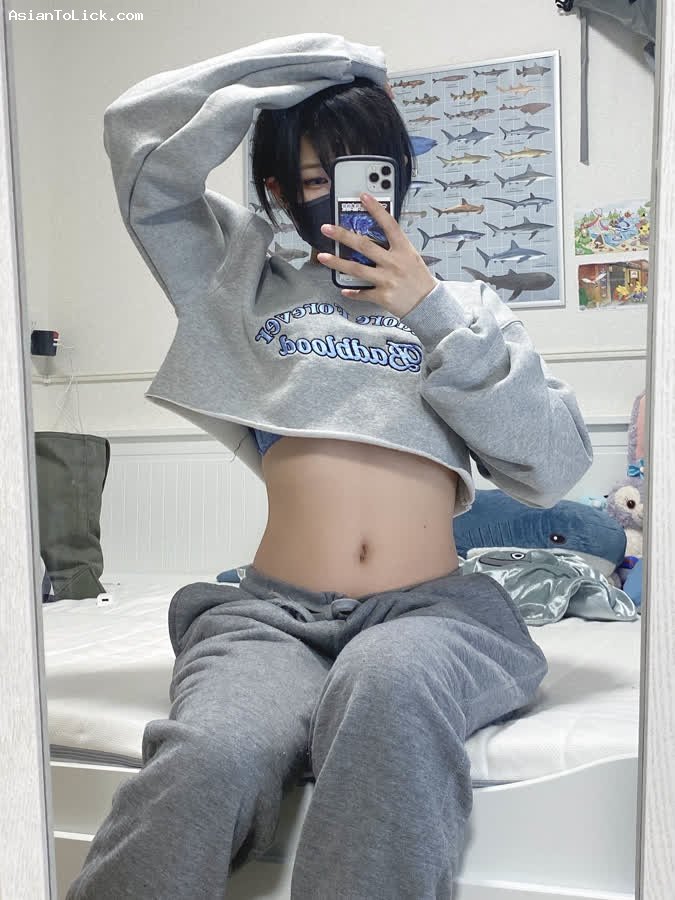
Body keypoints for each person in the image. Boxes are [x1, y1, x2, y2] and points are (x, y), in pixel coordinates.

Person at [67, 33, 593, 899]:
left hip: (428, 614)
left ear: (398, 174)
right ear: (277, 191)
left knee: (385, 688)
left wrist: (430, 312)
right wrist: (319, 64)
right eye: (314, 179)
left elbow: (551, 466)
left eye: (364, 171)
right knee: (209, 753)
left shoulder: (467, 309)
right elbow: (138, 139)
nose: (345, 197)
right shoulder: (239, 282)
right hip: (272, 617)